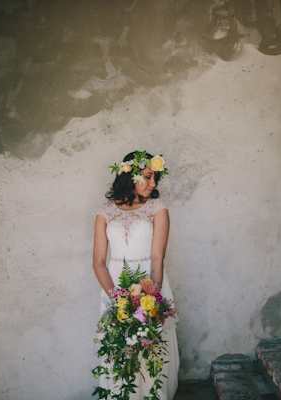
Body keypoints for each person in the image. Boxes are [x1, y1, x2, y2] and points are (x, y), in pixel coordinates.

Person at [93, 150, 179, 399]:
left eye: (155, 179)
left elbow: (157, 257)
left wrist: (149, 297)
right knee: (120, 348)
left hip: (150, 285)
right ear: (129, 176)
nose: (153, 184)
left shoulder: (157, 208)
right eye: (148, 177)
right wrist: (116, 298)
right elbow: (99, 261)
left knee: (149, 345)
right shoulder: (105, 211)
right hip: (113, 288)